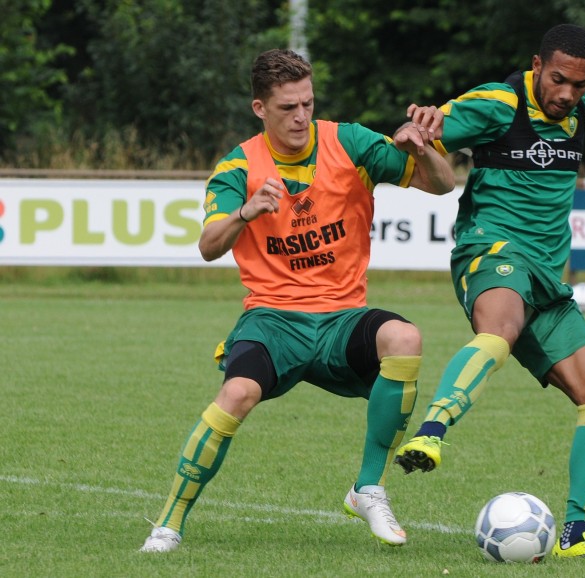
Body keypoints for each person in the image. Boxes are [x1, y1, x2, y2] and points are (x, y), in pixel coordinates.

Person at [140, 48, 454, 552]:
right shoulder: (238, 165)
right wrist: (246, 211)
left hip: (340, 318)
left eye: (307, 103)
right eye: (288, 107)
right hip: (272, 320)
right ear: (260, 108)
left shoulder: (349, 142)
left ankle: (367, 488)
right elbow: (207, 246)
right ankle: (168, 524)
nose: (302, 116)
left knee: (404, 337)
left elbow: (443, 185)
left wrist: (421, 149)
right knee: (237, 394)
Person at [393, 24, 585, 560]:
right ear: (536, 64)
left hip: (546, 278)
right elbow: (440, 124)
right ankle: (432, 432)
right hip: (491, 251)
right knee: (500, 328)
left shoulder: (583, 109)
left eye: (580, 84)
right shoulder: (500, 102)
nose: (568, 93)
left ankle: (577, 535)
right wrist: (425, 126)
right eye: (559, 79)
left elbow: (578, 103)